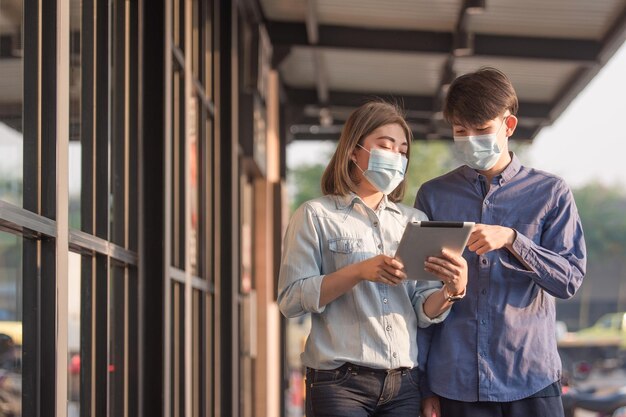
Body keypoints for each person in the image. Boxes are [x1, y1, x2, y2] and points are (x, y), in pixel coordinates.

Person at [277, 101, 468, 417]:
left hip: (404, 385)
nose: (396, 157)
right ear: (354, 150)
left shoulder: (414, 221)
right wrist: (358, 272)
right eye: (385, 146)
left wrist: (451, 290)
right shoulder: (316, 216)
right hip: (339, 384)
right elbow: (290, 300)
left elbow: (423, 310)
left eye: (403, 150)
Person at [415, 67, 587, 417]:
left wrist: (513, 239)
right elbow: (418, 293)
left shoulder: (550, 193)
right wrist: (424, 384)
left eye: (482, 130)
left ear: (508, 126)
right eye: (460, 131)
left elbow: (568, 279)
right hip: (454, 381)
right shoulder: (433, 196)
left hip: (531, 377)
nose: (470, 139)